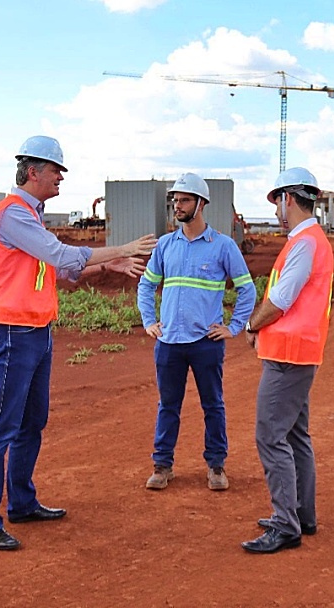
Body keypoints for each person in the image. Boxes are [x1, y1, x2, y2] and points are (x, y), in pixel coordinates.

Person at [0, 135, 157, 551]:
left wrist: (110, 263)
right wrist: (120, 248)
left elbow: (54, 273)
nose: (60, 178)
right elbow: (59, 256)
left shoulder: (29, 219)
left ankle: (21, 502)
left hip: (36, 331)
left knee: (31, 422)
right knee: (0, 428)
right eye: (56, 171)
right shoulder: (13, 215)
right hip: (12, 332)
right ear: (32, 171)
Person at [137, 172, 256, 491]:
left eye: (184, 200)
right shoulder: (165, 245)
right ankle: (162, 466)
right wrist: (149, 320)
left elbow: (247, 290)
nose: (178, 205)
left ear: (201, 204)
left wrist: (232, 327)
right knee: (168, 405)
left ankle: (216, 466)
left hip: (206, 343)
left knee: (213, 404)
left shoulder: (223, 246)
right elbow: (146, 285)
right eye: (175, 200)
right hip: (169, 342)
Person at [240, 167, 334, 554]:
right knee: (295, 435)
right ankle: (301, 515)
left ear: (287, 200)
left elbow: (281, 299)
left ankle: (286, 524)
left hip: (288, 355)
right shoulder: (309, 240)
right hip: (300, 352)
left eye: (277, 202)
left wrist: (251, 325)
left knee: (270, 436)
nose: (277, 210)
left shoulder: (305, 243)